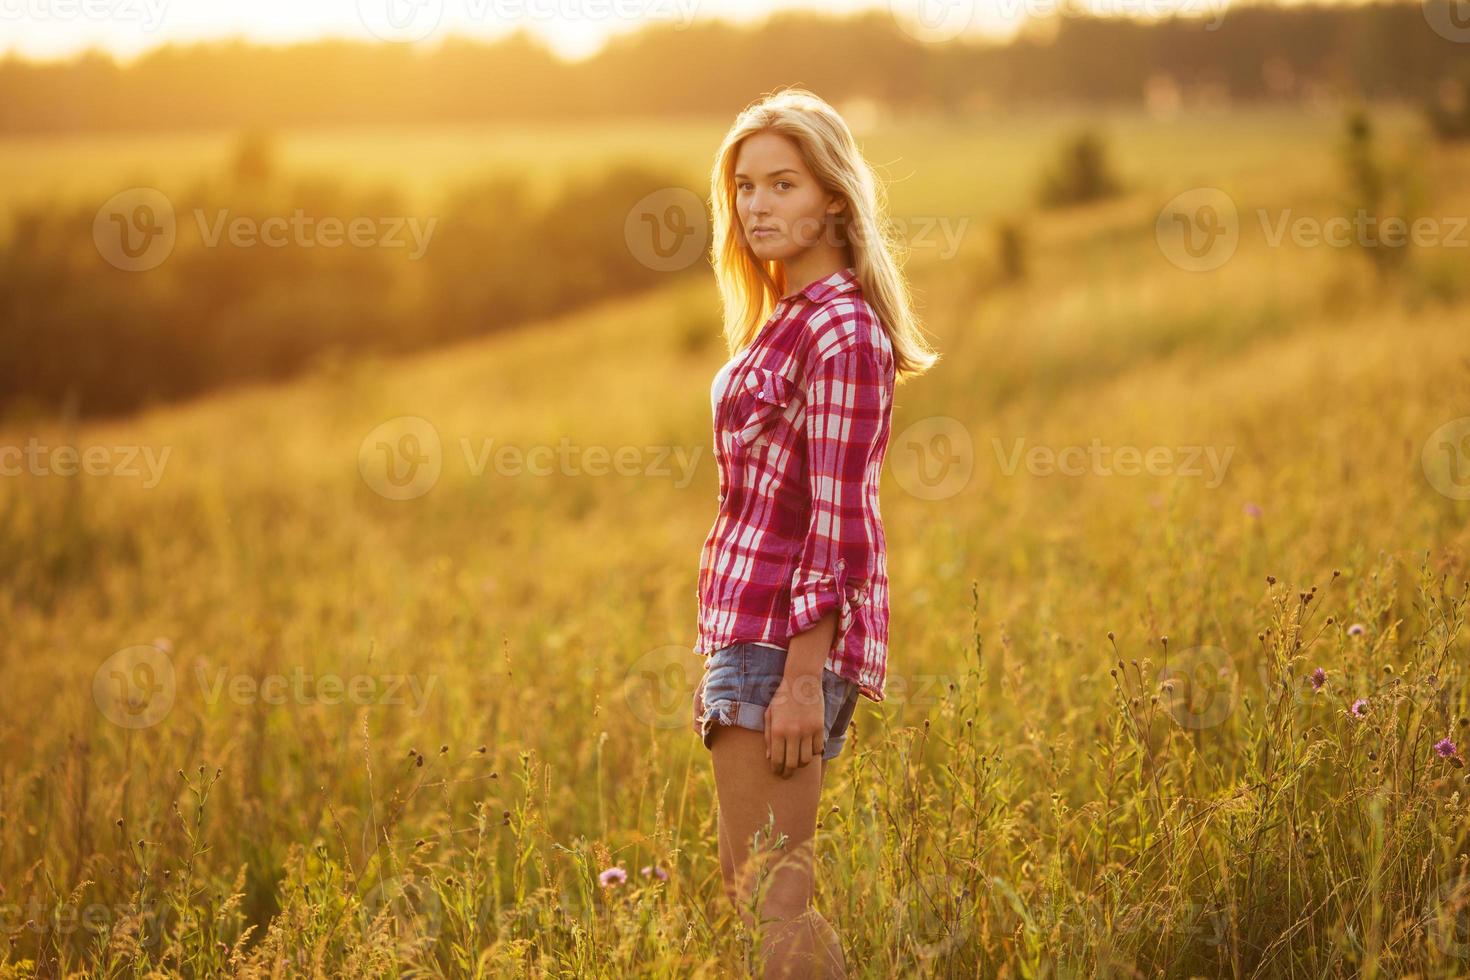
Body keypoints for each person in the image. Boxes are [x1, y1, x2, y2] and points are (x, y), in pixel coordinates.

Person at [691, 87, 940, 978]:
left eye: (783, 184)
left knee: (776, 908)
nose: (758, 206)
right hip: (744, 637)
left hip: (779, 650)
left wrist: (802, 681)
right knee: (757, 900)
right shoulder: (786, 321)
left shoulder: (841, 331)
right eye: (746, 188)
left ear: (834, 195)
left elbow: (839, 524)